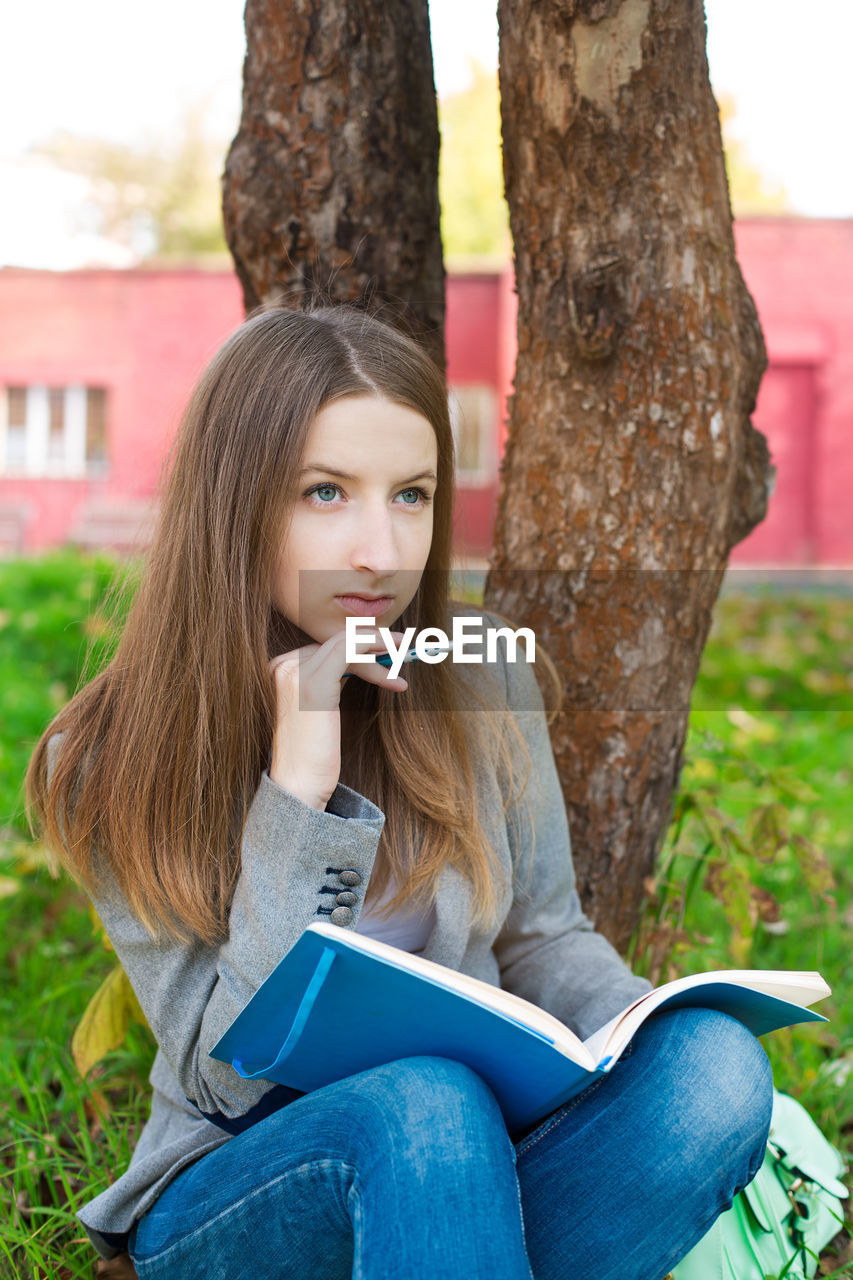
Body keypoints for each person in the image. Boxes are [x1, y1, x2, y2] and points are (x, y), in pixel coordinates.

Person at [27, 305, 773, 1280]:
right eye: (327, 491)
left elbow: (544, 935)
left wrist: (637, 1028)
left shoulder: (479, 674)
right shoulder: (104, 749)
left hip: (467, 1160)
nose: (379, 549)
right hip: (240, 1186)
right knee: (420, 1095)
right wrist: (297, 787)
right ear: (235, 497)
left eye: (411, 495)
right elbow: (224, 1079)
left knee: (710, 1068)